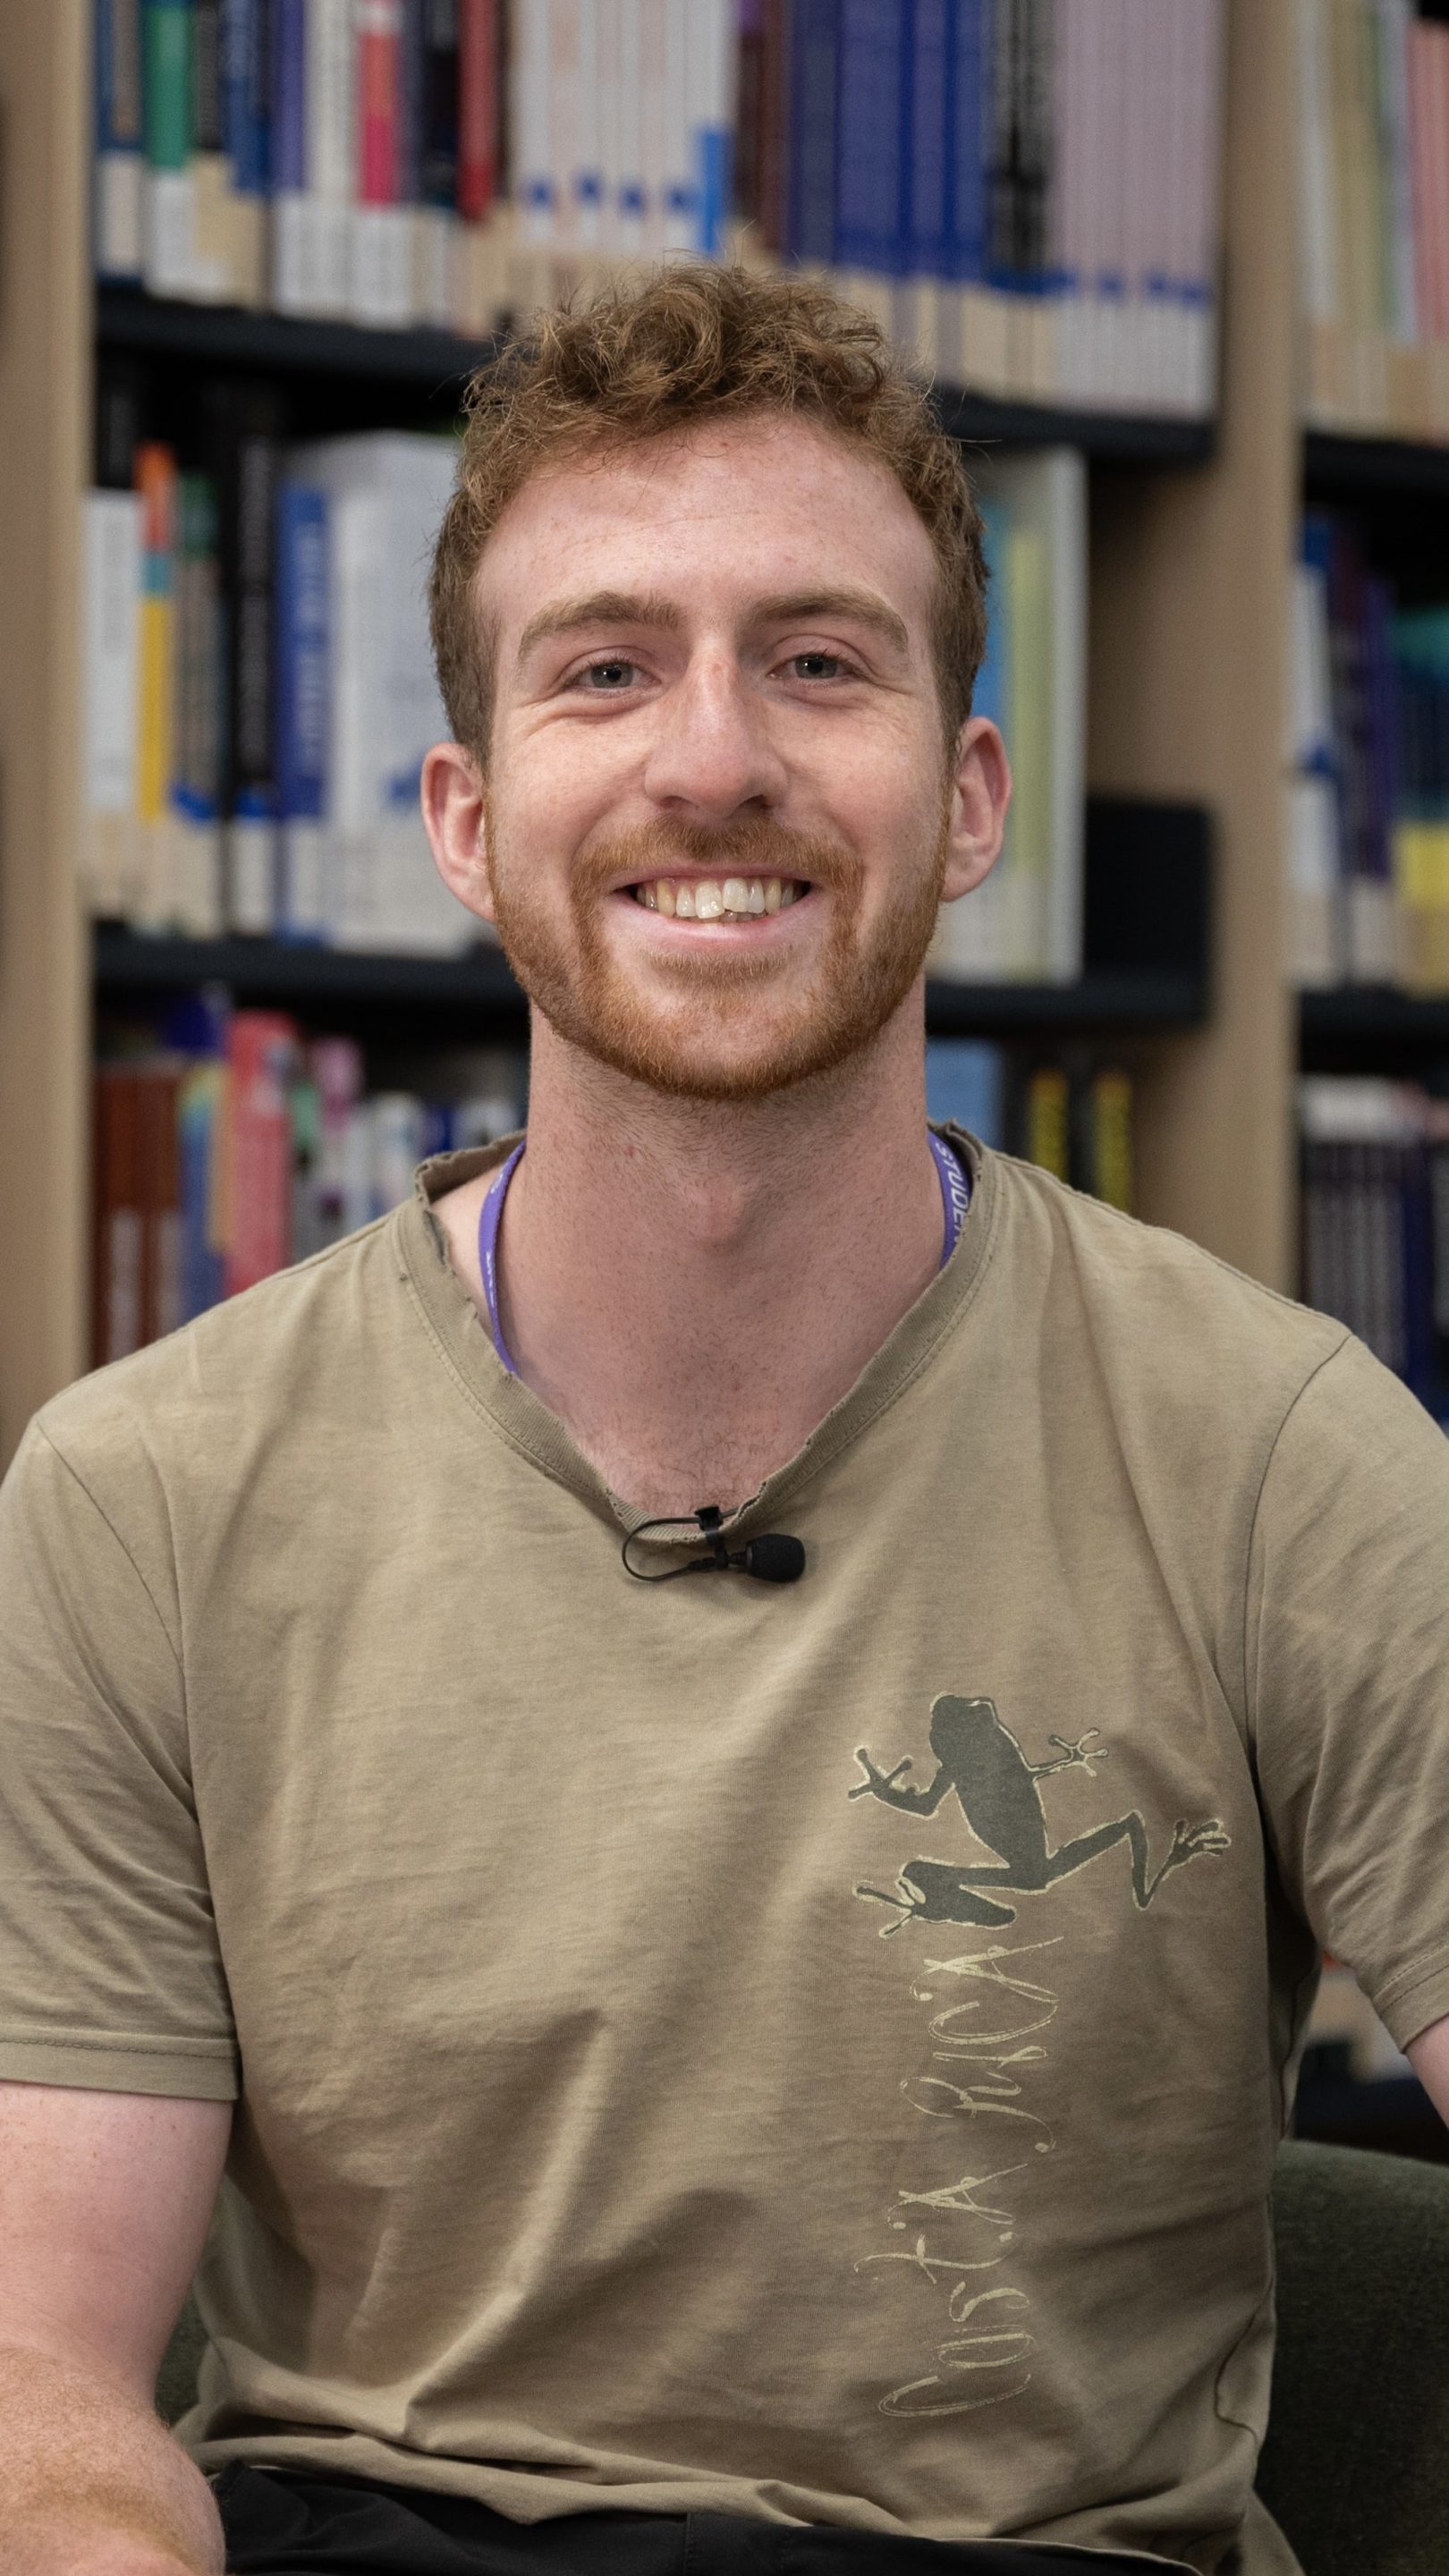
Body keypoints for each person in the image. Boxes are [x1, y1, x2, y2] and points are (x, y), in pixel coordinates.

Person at [0, 265, 1446, 2576]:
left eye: (815, 658)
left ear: (965, 797)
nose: (709, 759)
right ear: (465, 823)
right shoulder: (137, 1505)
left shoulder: (1279, 1466)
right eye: (604, 666)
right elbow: (40, 2377)